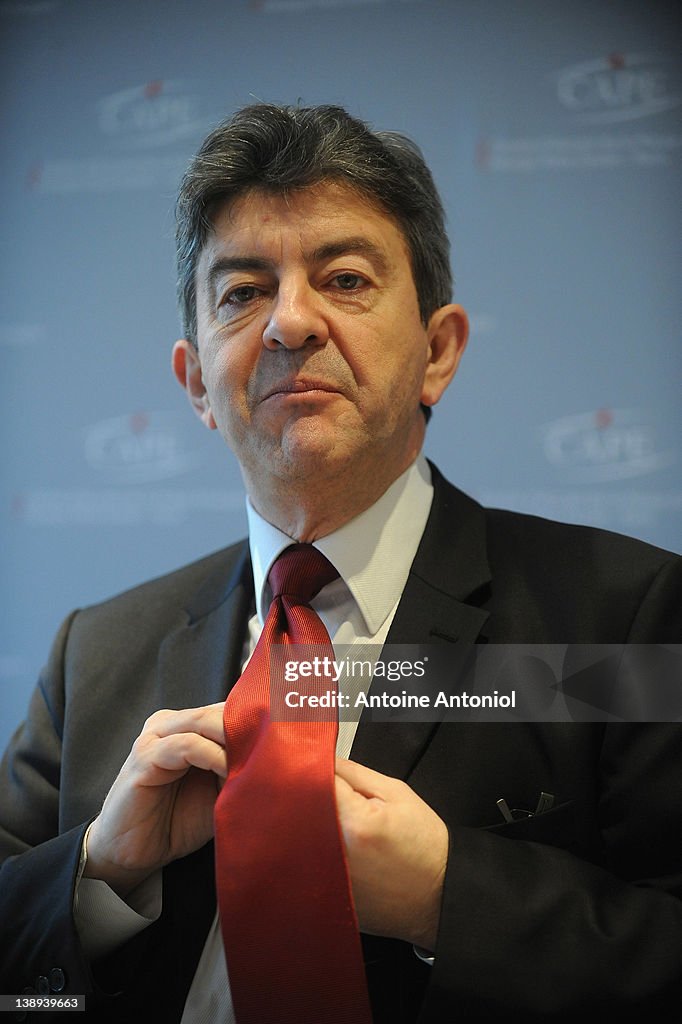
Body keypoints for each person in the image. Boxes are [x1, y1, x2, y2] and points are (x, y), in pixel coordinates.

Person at [0, 103, 680, 1023]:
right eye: (241, 292)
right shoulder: (97, 655)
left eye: (345, 278)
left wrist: (452, 896)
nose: (289, 322)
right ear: (197, 381)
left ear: (438, 352)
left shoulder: (618, 618)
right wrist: (97, 880)